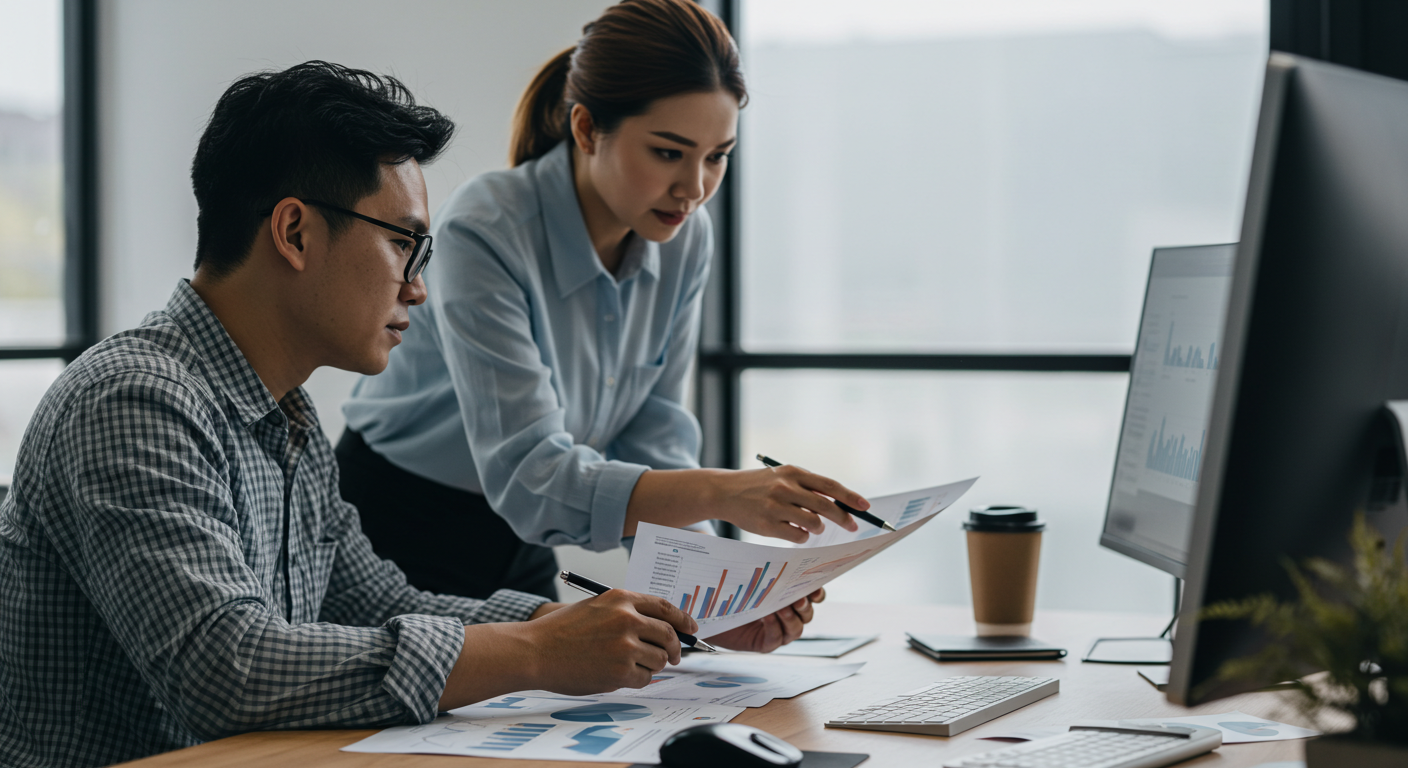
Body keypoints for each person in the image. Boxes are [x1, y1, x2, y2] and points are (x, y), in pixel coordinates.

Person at [0, 61, 701, 768]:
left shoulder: (288, 420)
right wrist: (536, 651)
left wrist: (562, 622)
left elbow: (370, 601)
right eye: (404, 245)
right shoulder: (134, 399)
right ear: (295, 233)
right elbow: (227, 667)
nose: (420, 290)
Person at [338, 0, 866, 650]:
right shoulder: (488, 226)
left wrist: (716, 598)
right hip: (399, 524)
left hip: (518, 536)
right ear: (587, 129)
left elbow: (654, 438)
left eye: (717, 156)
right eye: (669, 152)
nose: (695, 187)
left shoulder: (685, 237)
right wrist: (727, 494)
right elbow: (531, 476)